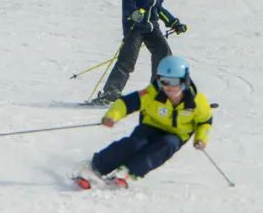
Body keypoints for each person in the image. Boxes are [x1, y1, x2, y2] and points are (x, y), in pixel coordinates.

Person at [80, 55, 213, 188]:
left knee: (166, 145)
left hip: (176, 134)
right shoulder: (152, 93)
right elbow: (127, 103)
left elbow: (205, 122)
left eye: (174, 82)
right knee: (135, 143)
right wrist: (112, 116)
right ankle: (97, 166)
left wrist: (200, 139)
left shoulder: (197, 102)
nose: (169, 87)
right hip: (151, 126)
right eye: (164, 81)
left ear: (185, 81)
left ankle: (127, 172)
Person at [90, 0, 188, 105]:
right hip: (135, 28)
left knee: (164, 55)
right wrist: (133, 15)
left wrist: (173, 22)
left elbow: (157, 8)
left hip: (152, 27)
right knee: (127, 60)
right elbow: (128, 5)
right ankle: (110, 93)